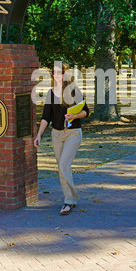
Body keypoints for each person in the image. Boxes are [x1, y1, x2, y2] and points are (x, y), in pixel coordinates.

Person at [34, 61, 89, 215]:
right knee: (62, 168)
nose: (57, 75)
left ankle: (68, 201)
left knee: (64, 164)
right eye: (55, 72)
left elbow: (86, 111)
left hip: (73, 133)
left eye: (60, 72)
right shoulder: (51, 93)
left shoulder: (74, 91)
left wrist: (75, 115)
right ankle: (72, 197)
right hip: (56, 134)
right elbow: (46, 117)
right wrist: (39, 135)